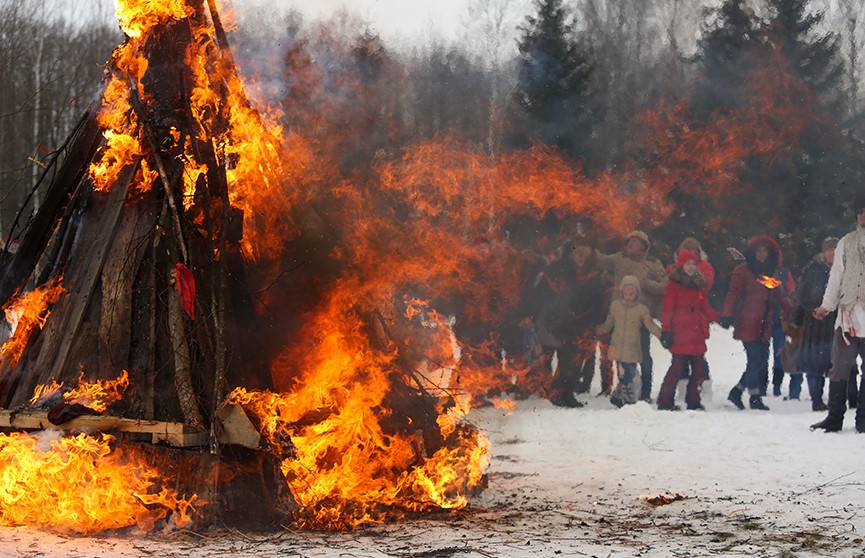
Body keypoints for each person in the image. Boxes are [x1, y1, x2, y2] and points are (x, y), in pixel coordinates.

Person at [810, 193, 865, 432]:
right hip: (849, 316)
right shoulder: (846, 242)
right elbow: (835, 279)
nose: (863, 216)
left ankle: (863, 419)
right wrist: (826, 306)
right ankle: (834, 418)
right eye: (860, 211)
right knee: (840, 367)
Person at [720, 235, 792, 411]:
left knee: (759, 361)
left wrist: (794, 312)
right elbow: (733, 293)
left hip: (764, 324)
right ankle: (754, 396)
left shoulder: (770, 272)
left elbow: (780, 295)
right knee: (755, 360)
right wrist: (726, 314)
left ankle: (737, 392)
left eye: (764, 251)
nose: (761, 254)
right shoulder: (743, 271)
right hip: (747, 322)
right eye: (758, 251)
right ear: (753, 253)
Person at [596, 230, 667, 402]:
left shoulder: (653, 263)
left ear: (644, 245)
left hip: (641, 317)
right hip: (620, 316)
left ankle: (645, 392)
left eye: (635, 242)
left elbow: (664, 285)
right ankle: (625, 388)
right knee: (621, 354)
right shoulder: (618, 259)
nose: (630, 245)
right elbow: (599, 260)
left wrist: (647, 284)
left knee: (643, 355)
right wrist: (589, 243)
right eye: (628, 242)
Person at [656, 250, 720, 411]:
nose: (691, 267)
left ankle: (693, 400)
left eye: (693, 263)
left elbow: (704, 307)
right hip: (681, 334)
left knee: (698, 370)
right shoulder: (674, 285)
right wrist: (666, 330)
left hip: (696, 334)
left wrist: (720, 317)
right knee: (677, 368)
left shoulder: (698, 285)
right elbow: (668, 309)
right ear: (681, 265)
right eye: (688, 263)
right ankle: (665, 401)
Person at [596, 275, 662, 407]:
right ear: (621, 293)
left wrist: (661, 335)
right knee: (622, 373)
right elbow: (610, 322)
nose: (628, 297)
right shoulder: (615, 306)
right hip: (617, 346)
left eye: (631, 294)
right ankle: (622, 394)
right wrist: (602, 329)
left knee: (629, 373)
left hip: (632, 347)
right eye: (625, 294)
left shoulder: (641, 310)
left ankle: (628, 396)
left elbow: (649, 325)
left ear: (636, 294)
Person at [790, 237, 838, 410]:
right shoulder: (813, 269)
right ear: (824, 251)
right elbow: (801, 295)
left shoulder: (845, 269)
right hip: (814, 321)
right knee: (814, 362)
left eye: (835, 248)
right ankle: (816, 399)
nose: (832, 252)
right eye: (829, 249)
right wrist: (796, 319)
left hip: (837, 321)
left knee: (839, 362)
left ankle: (843, 399)